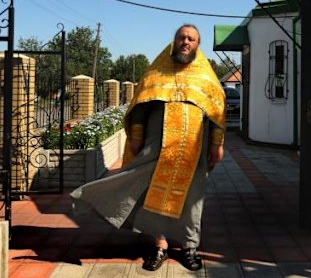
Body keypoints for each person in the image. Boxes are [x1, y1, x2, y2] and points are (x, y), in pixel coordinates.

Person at [70, 24, 226, 271]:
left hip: (194, 147)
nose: (186, 42)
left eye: (191, 39)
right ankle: (160, 246)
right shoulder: (156, 72)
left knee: (192, 198)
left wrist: (217, 144)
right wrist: (136, 136)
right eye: (181, 38)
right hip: (157, 145)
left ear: (198, 45)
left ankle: (189, 247)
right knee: (152, 193)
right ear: (174, 42)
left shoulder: (206, 76)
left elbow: (217, 111)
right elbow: (140, 106)